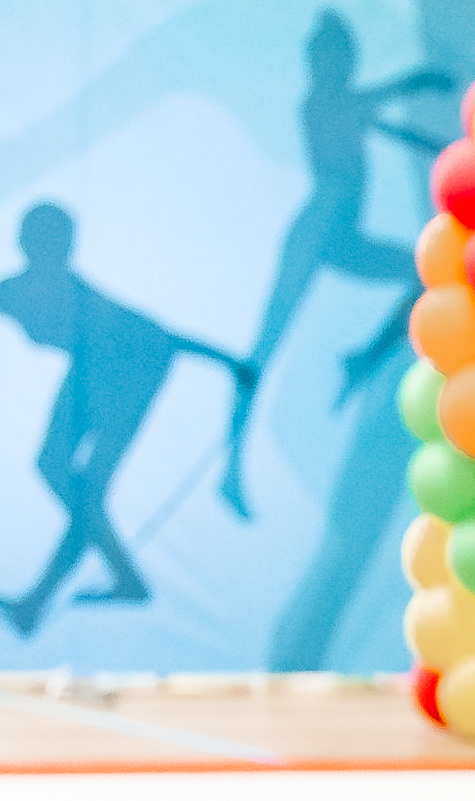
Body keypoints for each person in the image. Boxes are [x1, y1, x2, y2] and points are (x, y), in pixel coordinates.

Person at [221, 11, 450, 518]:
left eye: (346, 58)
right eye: (333, 58)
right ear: (319, 64)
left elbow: (393, 127)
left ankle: (363, 359)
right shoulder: (326, 101)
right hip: (314, 231)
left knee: (427, 270)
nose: (343, 66)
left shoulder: (347, 101)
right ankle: (229, 466)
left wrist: (448, 149)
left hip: (342, 235)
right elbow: (395, 94)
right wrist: (426, 82)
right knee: (264, 348)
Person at [0, 203, 257, 638]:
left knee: (87, 490)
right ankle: (117, 572)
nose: (57, 254)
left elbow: (155, 333)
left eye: (63, 245)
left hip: (136, 368)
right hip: (89, 367)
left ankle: (50, 594)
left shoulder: (82, 297)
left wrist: (229, 362)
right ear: (26, 245)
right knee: (56, 469)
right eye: (47, 244)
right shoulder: (12, 291)